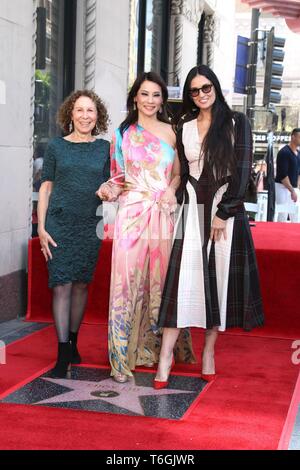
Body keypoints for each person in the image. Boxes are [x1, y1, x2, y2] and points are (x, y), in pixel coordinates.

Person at [154, 65, 264, 388]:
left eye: (206, 88)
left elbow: (242, 174)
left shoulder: (236, 123)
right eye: (194, 90)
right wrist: (172, 195)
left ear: (215, 87)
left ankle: (209, 352)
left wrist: (224, 212)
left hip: (223, 214)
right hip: (192, 211)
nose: (201, 95)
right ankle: (165, 357)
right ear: (189, 95)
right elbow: (183, 172)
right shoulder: (184, 125)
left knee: (217, 282)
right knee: (179, 285)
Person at [97, 72, 195, 383]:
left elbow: (179, 174)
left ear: (162, 100)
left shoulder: (171, 132)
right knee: (125, 282)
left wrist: (171, 189)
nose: (150, 100)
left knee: (160, 281)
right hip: (131, 213)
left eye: (156, 95)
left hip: (162, 214)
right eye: (145, 94)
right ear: (135, 98)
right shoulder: (122, 133)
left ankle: (154, 350)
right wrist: (107, 190)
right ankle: (121, 355)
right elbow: (117, 176)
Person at [38, 90, 110, 378]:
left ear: (97, 116)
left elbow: (113, 184)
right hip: (58, 224)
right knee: (61, 285)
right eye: (79, 110)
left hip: (90, 226)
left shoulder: (105, 148)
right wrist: (41, 228)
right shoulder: (56, 147)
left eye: (90, 111)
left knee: (81, 284)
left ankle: (74, 340)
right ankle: (62, 351)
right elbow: (45, 187)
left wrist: (110, 191)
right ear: (70, 114)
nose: (84, 116)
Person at [275, 128, 300, 222]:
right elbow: (283, 175)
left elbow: (298, 173)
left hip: (294, 188)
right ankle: (279, 235)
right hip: (282, 187)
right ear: (293, 137)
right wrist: (292, 190)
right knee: (283, 215)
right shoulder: (284, 152)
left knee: (296, 216)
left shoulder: (298, 154)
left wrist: (296, 188)